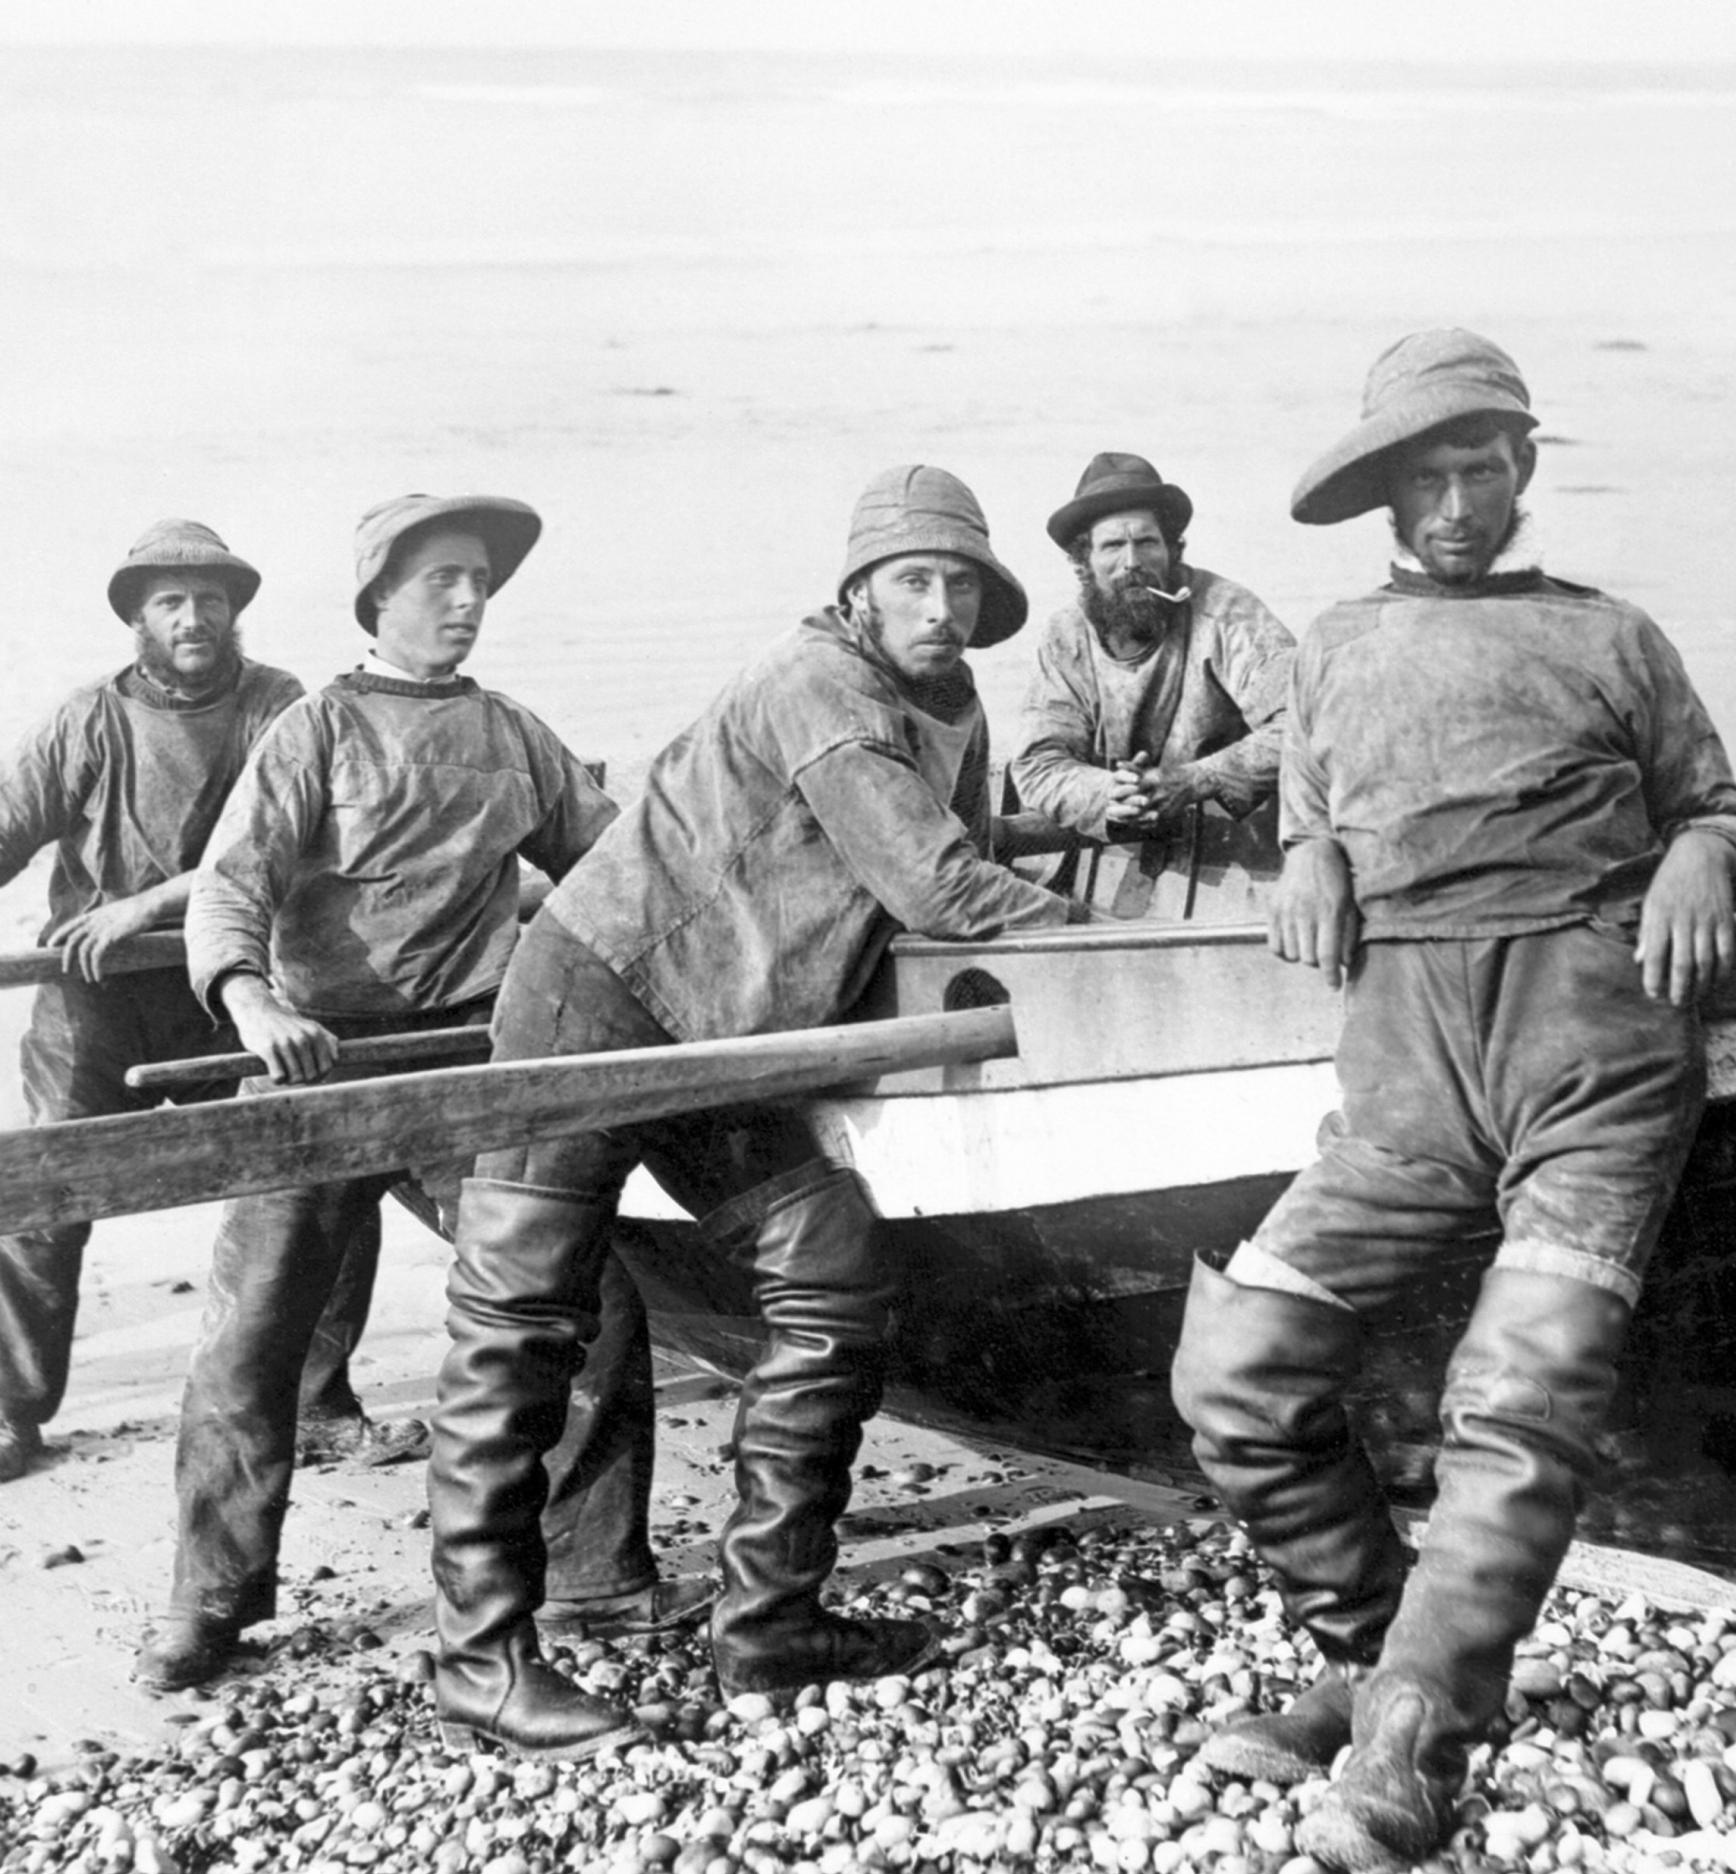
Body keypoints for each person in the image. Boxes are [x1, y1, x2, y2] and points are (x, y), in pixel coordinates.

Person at [1170, 330, 1736, 1872]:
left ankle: (1413, 1743)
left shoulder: (1612, 636)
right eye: (1423, 475)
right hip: (1402, 1079)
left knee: (1520, 1392)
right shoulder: (1336, 644)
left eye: (1478, 467)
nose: (1453, 500)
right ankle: (1383, 1659)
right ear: (1385, 489)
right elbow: (1308, 812)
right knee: (1236, 1367)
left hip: (1590, 1049)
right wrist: (1307, 853)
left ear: (1522, 467)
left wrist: (1706, 852)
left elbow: (1714, 797)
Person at [424, 465, 1073, 1761]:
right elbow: (940, 883)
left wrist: (1092, 819)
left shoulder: (943, 699)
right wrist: (1125, 941)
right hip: (594, 993)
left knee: (829, 1263)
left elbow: (957, 837)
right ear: (858, 591)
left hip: (726, 1033)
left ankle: (769, 1618)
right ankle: (480, 1659)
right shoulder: (818, 679)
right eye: (914, 580)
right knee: (522, 1317)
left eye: (961, 583)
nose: (941, 607)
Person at [134, 494, 691, 1690]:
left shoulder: (512, 733)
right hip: (316, 1063)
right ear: (377, 597)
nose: (466, 600)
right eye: (440, 578)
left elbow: (616, 875)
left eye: (479, 580)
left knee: (587, 1302)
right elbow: (231, 888)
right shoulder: (312, 728)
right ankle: (211, 1603)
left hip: (469, 1067)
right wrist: (254, 1005)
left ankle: (595, 1571)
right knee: (253, 1337)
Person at [0, 522, 307, 1487]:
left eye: (211, 600)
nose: (194, 618)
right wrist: (109, 920)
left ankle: (324, 1392)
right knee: (41, 1200)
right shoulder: (85, 717)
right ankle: (11, 1410)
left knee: (306, 1179)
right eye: (171, 601)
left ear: (235, 613)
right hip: (92, 1001)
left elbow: (273, 843)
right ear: (137, 616)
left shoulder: (279, 706)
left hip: (230, 988)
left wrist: (143, 906)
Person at [1008, 451, 1295, 844]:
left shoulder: (1227, 612)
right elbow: (1039, 764)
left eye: (1146, 542)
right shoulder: (1066, 635)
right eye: (1112, 546)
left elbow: (1305, 722)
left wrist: (1197, 779)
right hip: (1115, 834)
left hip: (1234, 843)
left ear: (1172, 550)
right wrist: (1112, 794)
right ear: (1084, 561)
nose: (1132, 562)